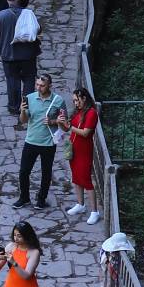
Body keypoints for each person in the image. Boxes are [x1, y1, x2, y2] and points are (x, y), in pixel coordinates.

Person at [17, 73, 66, 209]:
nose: (39, 88)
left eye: (42, 86)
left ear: (49, 86)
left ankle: (41, 199)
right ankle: (24, 198)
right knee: (24, 171)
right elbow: (24, 121)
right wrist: (22, 111)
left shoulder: (58, 100)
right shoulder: (30, 98)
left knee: (46, 173)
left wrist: (53, 121)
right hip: (31, 140)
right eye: (37, 85)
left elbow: (65, 122)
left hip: (48, 143)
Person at [0, 0, 38, 115]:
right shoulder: (29, 14)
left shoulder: (1, 15)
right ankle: (26, 107)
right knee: (29, 80)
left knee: (12, 80)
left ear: (7, 0)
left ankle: (14, 106)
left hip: (9, 54)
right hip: (28, 54)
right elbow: (37, 29)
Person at [62, 87, 100, 224]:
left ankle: (94, 211)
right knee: (76, 177)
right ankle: (80, 204)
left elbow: (85, 133)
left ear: (84, 98)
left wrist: (69, 127)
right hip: (74, 149)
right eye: (74, 101)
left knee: (86, 180)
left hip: (84, 150)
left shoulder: (91, 113)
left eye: (77, 100)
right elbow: (68, 127)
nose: (75, 103)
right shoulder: (78, 112)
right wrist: (62, 123)